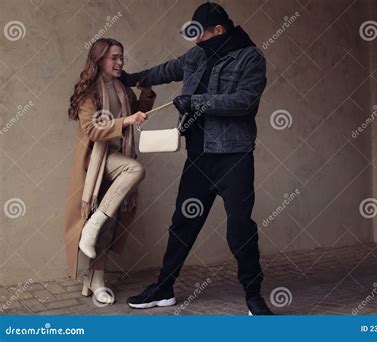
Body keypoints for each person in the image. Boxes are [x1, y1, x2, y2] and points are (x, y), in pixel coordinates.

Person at [121, 2, 273, 315]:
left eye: (199, 34)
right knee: (183, 225)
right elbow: (167, 70)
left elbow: (244, 102)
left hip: (234, 157)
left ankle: (254, 296)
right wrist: (131, 78)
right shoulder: (198, 54)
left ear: (219, 30)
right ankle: (163, 289)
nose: (196, 42)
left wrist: (196, 101)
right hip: (199, 157)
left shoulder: (251, 57)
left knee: (240, 228)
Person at [64, 38, 156, 305]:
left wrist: (146, 94)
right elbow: (93, 129)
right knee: (134, 169)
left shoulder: (121, 88)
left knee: (107, 223)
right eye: (114, 57)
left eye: (122, 57)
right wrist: (127, 120)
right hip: (95, 161)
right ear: (99, 59)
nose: (120, 62)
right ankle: (91, 230)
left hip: (118, 156)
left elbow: (136, 111)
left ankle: (97, 281)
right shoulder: (88, 92)